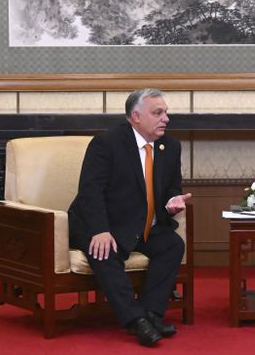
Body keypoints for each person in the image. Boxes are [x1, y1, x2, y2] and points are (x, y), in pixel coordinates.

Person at [68, 88, 192, 347]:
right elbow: (90, 192)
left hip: (141, 225)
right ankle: (136, 321)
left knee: (172, 245)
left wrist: (172, 202)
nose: (166, 118)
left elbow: (172, 187)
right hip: (104, 224)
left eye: (166, 112)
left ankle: (151, 313)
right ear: (135, 116)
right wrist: (100, 230)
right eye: (158, 113)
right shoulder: (107, 143)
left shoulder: (170, 146)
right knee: (104, 251)